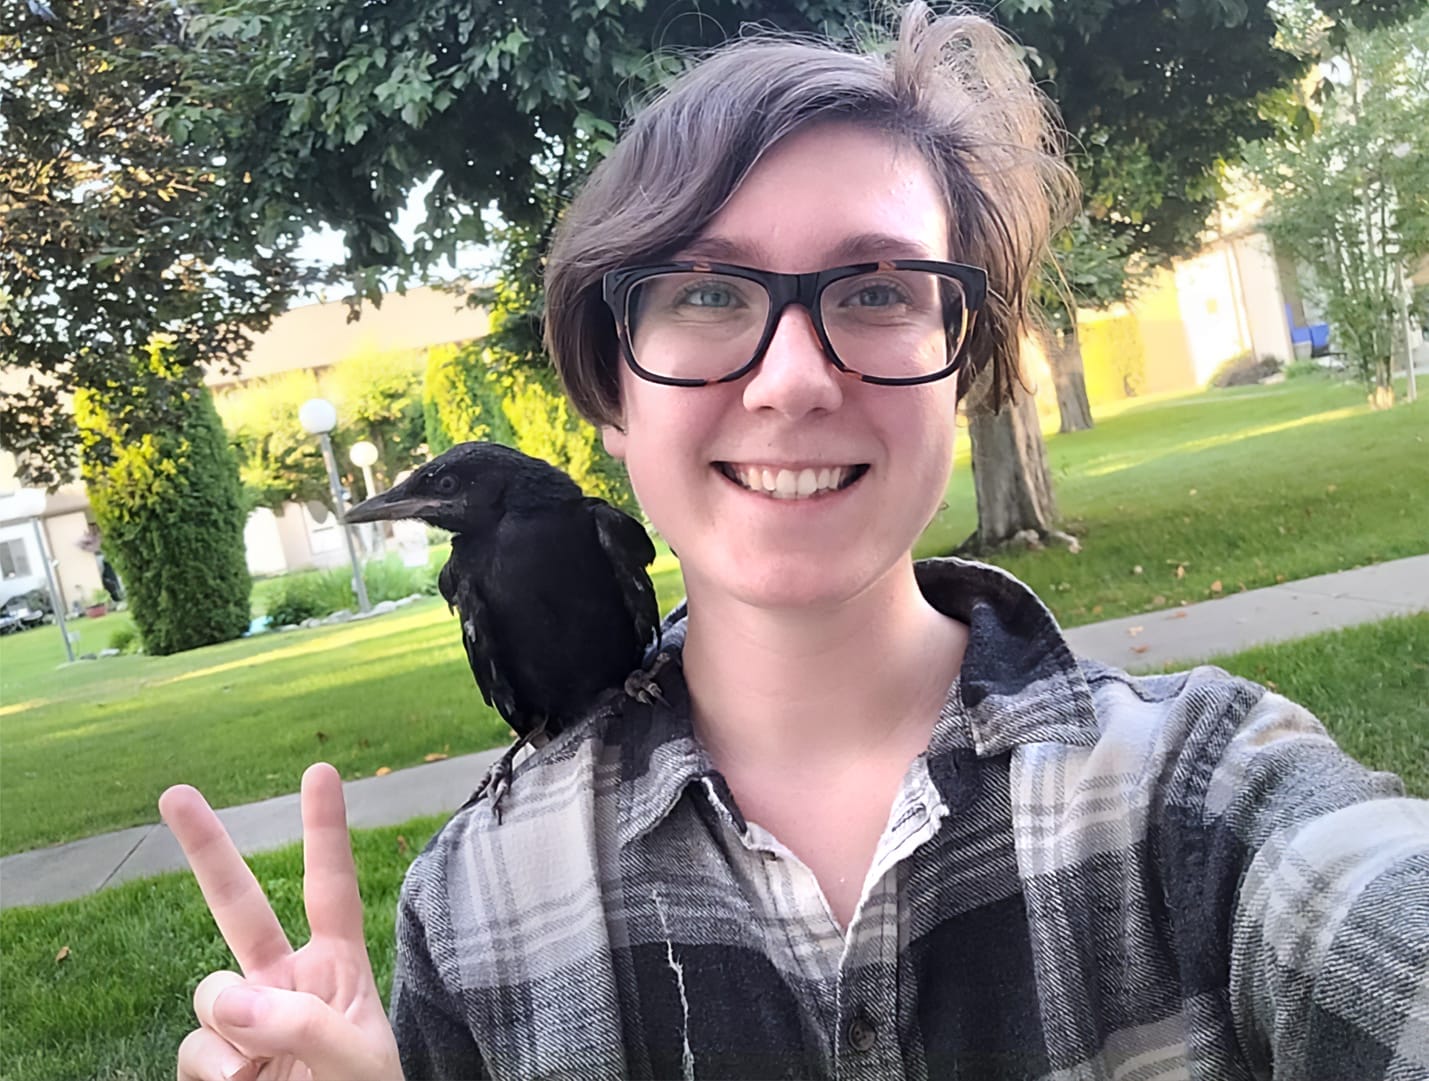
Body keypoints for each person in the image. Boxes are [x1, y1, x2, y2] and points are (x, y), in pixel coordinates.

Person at [161, 5, 1429, 1079]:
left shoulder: (1207, 797)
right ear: (612, 394)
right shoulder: (472, 911)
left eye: (874, 289)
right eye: (708, 292)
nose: (790, 380)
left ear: (966, 370)